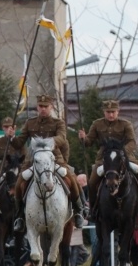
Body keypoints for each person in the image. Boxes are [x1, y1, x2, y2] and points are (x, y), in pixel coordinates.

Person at [11, 94, 86, 232]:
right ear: (37, 107)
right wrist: (12, 136)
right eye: (41, 106)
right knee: (19, 182)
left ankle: (79, 210)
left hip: (55, 159)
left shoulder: (58, 123)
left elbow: (62, 138)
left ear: (51, 107)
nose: (43, 109)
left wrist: (50, 142)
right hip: (33, 161)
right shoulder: (30, 123)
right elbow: (19, 143)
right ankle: (19, 216)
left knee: (71, 178)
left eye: (46, 106)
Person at [78, 99, 138, 220]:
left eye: (113, 111)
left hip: (125, 158)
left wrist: (122, 153)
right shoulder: (97, 124)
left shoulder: (125, 124)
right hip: (104, 160)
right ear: (104, 112)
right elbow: (88, 142)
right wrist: (83, 138)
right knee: (92, 183)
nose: (111, 114)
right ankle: (93, 209)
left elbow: (132, 142)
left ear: (118, 111)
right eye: (108, 112)